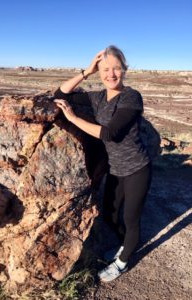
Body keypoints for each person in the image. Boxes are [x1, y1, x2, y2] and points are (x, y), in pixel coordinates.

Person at [54, 45, 152, 282]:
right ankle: (124, 247)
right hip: (115, 169)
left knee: (130, 218)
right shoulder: (97, 97)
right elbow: (59, 95)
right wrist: (85, 72)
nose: (111, 74)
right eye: (105, 69)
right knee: (110, 212)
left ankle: (123, 261)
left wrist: (73, 118)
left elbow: (111, 133)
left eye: (116, 68)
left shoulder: (131, 96)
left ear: (124, 70)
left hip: (137, 167)